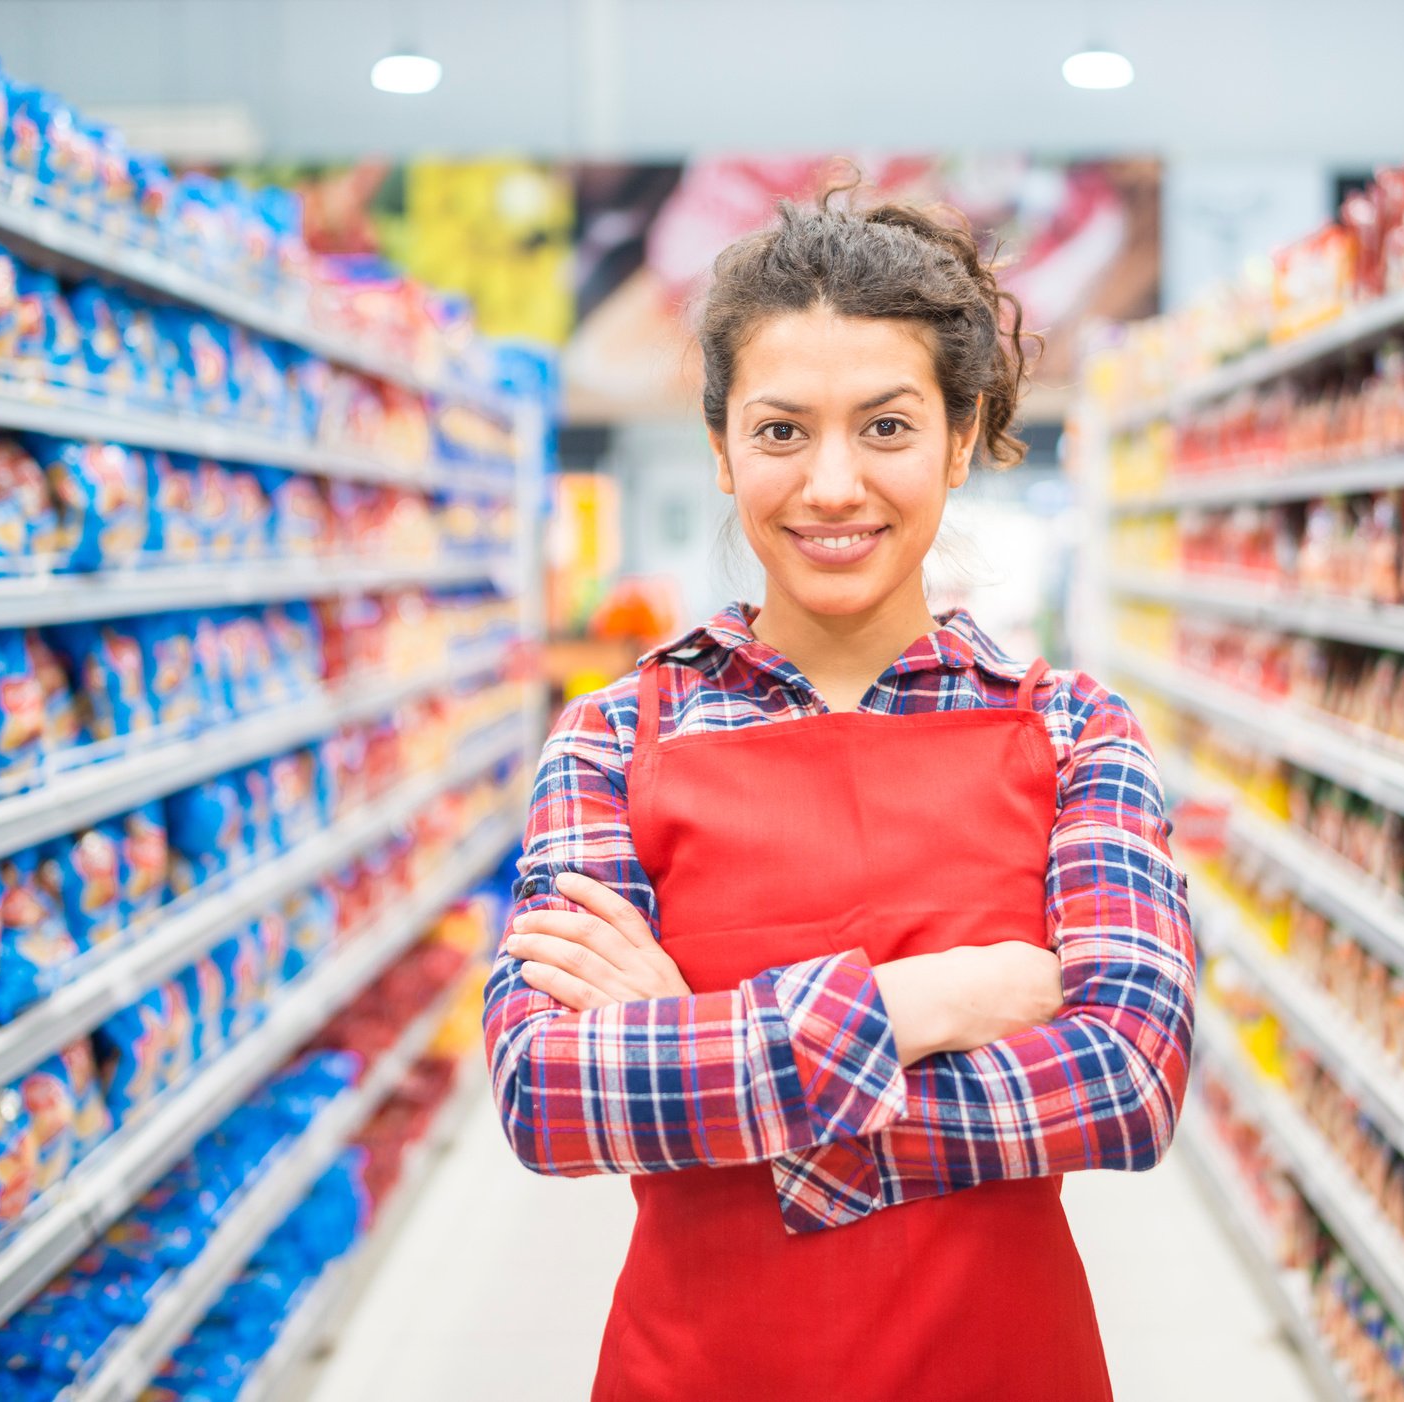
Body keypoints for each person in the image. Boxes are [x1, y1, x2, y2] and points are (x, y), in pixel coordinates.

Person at [482, 190, 1198, 1402]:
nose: (830, 485)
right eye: (779, 432)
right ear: (720, 447)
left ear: (960, 438)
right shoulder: (608, 738)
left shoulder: (1077, 732)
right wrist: (940, 997)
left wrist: (703, 1068)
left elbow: (1126, 1080)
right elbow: (549, 1094)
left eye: (884, 427)